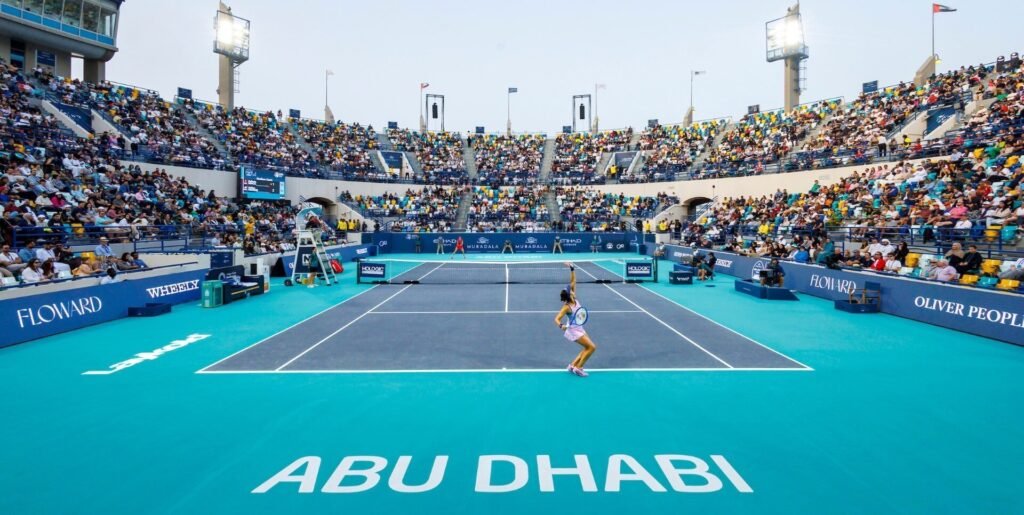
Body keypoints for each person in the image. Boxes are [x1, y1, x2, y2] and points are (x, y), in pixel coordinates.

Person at [553, 263, 597, 377]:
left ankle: (572, 365)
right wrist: (561, 325)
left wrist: (572, 268)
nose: (571, 287)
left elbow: (574, 280)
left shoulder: (574, 297)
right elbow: (556, 319)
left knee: (587, 347)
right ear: (570, 294)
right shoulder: (566, 307)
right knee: (592, 347)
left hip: (579, 327)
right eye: (570, 289)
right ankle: (578, 368)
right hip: (573, 330)